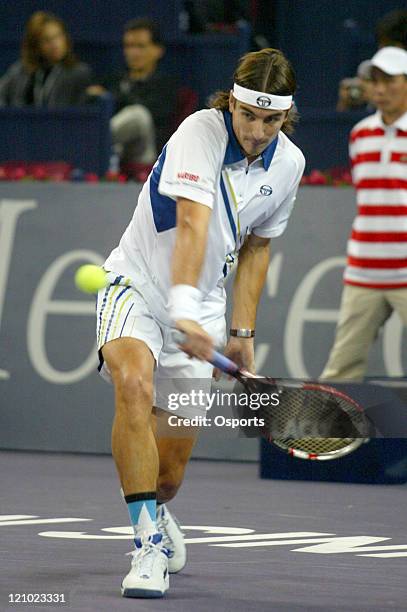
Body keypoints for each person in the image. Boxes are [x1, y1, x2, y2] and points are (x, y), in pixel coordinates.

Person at [96, 47, 304, 598]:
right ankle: (145, 548)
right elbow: (192, 223)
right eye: (248, 114)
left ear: (287, 115)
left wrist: (240, 335)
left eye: (271, 119)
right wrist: (181, 310)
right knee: (133, 385)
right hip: (136, 285)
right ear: (230, 101)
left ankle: (156, 511)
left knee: (168, 476)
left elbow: (257, 247)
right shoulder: (199, 131)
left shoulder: (289, 166)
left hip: (206, 308)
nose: (257, 130)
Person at [322, 46, 407, 381]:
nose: (380, 89)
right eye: (374, 81)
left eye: (389, 80)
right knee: (341, 371)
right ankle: (335, 437)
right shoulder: (359, 135)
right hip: (364, 272)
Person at [88, 18, 178, 164]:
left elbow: (153, 113)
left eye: (140, 46)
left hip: (146, 154)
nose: (133, 52)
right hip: (114, 149)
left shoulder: (165, 84)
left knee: (138, 114)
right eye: (129, 46)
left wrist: (113, 98)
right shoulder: (114, 80)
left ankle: (91, 142)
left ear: (158, 50)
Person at [0, 11, 92, 107]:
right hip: (21, 121)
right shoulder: (20, 71)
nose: (55, 45)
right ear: (36, 45)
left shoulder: (79, 73)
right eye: (47, 40)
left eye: (58, 36)